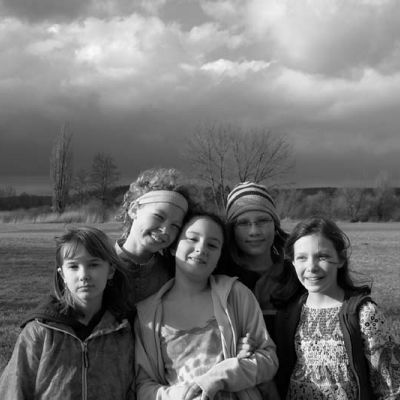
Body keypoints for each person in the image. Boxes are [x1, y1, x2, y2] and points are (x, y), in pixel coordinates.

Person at [134, 211, 279, 400]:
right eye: (192, 239)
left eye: (212, 245)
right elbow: (143, 387)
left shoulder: (235, 295)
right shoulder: (147, 315)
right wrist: (179, 395)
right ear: (173, 247)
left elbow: (268, 359)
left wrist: (217, 378)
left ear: (219, 256)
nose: (201, 249)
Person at [0, 226, 136, 400]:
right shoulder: (40, 331)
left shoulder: (123, 330)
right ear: (62, 274)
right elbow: (13, 391)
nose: (84, 275)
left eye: (93, 264)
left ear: (110, 270)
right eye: (73, 266)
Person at [275, 217, 400, 399]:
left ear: (340, 259)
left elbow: (390, 388)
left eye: (322, 257)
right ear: (293, 262)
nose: (311, 267)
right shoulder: (289, 313)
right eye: (302, 258)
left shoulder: (364, 314)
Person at [225, 181, 303, 337]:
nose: (254, 231)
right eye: (243, 223)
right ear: (232, 230)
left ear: (275, 226)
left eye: (262, 221)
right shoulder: (221, 279)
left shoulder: (297, 277)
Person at [116, 168, 192, 304]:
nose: (165, 230)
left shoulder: (172, 273)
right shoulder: (100, 263)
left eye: (175, 226)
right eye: (158, 216)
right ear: (134, 210)